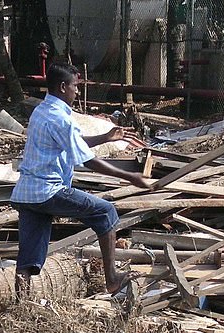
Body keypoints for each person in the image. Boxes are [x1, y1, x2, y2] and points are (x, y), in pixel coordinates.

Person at [10, 62, 151, 298]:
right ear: (63, 86)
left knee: (28, 259)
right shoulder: (60, 118)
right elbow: (87, 161)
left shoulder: (42, 111)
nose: (77, 91)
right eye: (75, 86)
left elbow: (72, 142)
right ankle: (113, 280)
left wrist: (105, 137)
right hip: (48, 190)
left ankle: (21, 304)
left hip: (27, 193)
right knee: (106, 213)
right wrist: (129, 176)